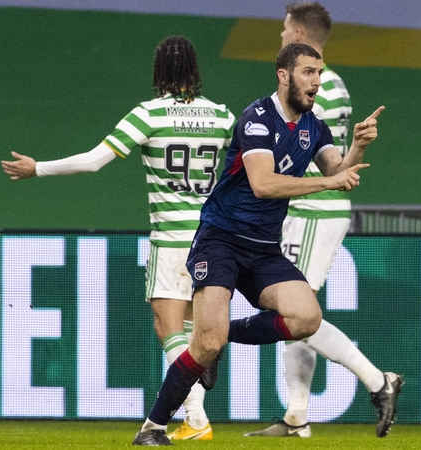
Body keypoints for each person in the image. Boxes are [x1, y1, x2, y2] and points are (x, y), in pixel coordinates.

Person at [131, 42, 383, 446]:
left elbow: (338, 169)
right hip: (221, 240)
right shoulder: (257, 119)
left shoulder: (313, 126)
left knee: (306, 318)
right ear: (284, 76)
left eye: (319, 73)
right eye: (308, 73)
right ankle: (153, 427)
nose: (316, 82)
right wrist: (329, 182)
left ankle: (222, 334)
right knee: (206, 343)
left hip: (263, 247)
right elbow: (264, 184)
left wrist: (359, 146)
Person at [1, 36, 235, 441]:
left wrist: (38, 168)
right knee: (195, 332)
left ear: (159, 70)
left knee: (168, 327)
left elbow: (93, 161)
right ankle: (195, 413)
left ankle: (196, 417)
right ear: (195, 69)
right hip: (213, 236)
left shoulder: (148, 114)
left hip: (171, 238)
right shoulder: (222, 116)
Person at [243, 2, 403, 439]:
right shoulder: (333, 83)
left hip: (315, 211)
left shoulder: (316, 86)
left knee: (297, 313)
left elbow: (318, 157)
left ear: (297, 35)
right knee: (292, 316)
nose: (280, 36)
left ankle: (377, 380)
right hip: (309, 210)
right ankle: (297, 416)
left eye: (284, 30)